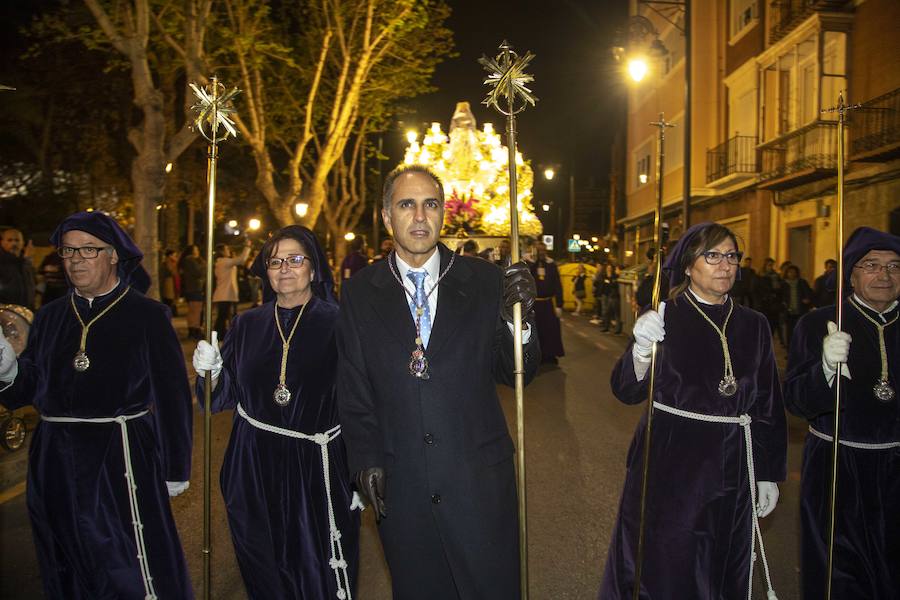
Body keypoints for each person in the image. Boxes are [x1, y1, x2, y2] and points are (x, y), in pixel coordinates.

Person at [336, 164, 539, 599]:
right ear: (387, 217)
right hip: (401, 484)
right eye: (406, 205)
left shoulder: (485, 281)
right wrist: (364, 458)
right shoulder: (359, 291)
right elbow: (354, 388)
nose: (420, 216)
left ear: (443, 213)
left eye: (430, 204)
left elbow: (517, 370)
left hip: (477, 482)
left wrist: (516, 322)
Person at [0, 211, 193, 598]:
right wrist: (7, 368)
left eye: (88, 250)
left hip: (118, 457)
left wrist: (175, 467)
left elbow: (171, 397)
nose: (75, 259)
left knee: (125, 562)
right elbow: (28, 391)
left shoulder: (148, 315)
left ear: (113, 256)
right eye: (68, 250)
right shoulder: (51, 317)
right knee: (64, 557)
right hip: (53, 456)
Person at [599, 222, 786, 600]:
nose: (725, 265)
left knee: (724, 564)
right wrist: (640, 349)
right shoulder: (665, 317)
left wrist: (768, 473)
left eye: (732, 256)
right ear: (687, 266)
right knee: (668, 566)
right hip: (672, 464)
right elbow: (626, 390)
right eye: (712, 256)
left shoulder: (755, 324)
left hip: (735, 465)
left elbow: (768, 404)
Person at [192, 225, 360, 599]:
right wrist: (212, 375)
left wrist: (361, 469)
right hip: (252, 463)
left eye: (295, 259)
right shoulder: (246, 324)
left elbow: (361, 403)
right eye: (275, 261)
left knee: (320, 570)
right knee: (264, 568)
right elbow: (218, 400)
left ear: (314, 269)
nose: (284, 268)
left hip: (317, 466)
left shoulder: (339, 323)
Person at [783, 227, 900, 600]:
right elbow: (796, 402)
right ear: (851, 274)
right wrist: (825, 370)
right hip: (837, 467)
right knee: (840, 578)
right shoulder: (817, 323)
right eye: (872, 265)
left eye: (895, 267)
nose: (884, 275)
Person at [529, 240, 565, 363]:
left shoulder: (551, 264)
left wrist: (559, 304)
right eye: (539, 250)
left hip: (548, 303)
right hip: (534, 304)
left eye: (543, 250)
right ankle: (536, 356)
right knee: (535, 330)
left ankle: (550, 355)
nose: (541, 253)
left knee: (550, 330)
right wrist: (535, 262)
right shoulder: (529, 264)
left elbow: (557, 285)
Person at [212, 239, 252, 335]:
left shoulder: (221, 262)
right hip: (225, 294)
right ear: (221, 251)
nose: (228, 250)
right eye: (226, 249)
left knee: (223, 315)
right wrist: (247, 247)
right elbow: (241, 260)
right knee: (223, 316)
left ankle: (221, 333)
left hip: (224, 293)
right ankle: (219, 334)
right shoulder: (224, 261)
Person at [0, 227, 36, 309]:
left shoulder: (25, 262)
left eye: (17, 240)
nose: (14, 244)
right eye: (9, 240)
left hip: (25, 313)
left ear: (22, 243)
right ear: (2, 242)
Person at [756, 257, 785, 346]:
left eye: (772, 265)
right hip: (764, 303)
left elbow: (780, 289)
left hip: (774, 303)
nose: (770, 267)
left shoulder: (775, 276)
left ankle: (769, 338)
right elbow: (756, 289)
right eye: (769, 265)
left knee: (773, 322)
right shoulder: (760, 276)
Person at [782, 264, 813, 347]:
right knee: (789, 333)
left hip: (801, 311)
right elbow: (780, 297)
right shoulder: (784, 284)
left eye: (793, 272)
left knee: (800, 332)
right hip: (789, 312)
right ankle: (790, 351)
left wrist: (807, 299)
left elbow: (809, 293)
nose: (792, 274)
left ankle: (800, 349)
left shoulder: (802, 283)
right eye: (790, 272)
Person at [180, 243, 206, 340]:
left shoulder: (186, 261)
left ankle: (192, 329)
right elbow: (198, 272)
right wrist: (203, 264)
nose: (198, 252)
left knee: (192, 310)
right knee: (196, 309)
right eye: (196, 249)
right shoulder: (191, 260)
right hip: (195, 288)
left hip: (190, 288)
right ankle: (195, 329)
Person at [600, 263, 622, 334]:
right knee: (607, 312)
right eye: (608, 268)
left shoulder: (615, 276)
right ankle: (607, 327)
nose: (609, 269)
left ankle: (617, 329)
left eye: (610, 268)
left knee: (616, 313)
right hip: (609, 295)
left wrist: (609, 281)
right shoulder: (605, 276)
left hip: (614, 296)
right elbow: (603, 284)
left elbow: (613, 285)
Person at [160, 248, 179, 316]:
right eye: (174, 255)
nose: (175, 257)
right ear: (169, 256)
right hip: (168, 285)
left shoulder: (173, 263)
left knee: (170, 302)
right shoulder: (167, 263)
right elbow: (170, 273)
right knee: (168, 301)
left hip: (172, 285)